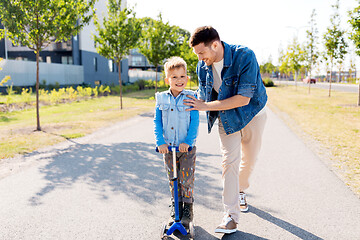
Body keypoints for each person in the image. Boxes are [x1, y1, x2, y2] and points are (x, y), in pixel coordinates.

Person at [184, 26, 267, 234]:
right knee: (229, 163)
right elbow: (203, 96)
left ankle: (240, 189)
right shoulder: (202, 65)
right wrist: (177, 95)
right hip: (226, 118)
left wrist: (205, 106)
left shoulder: (244, 56)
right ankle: (230, 215)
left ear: (215, 45)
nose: (200, 58)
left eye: (202, 53)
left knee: (249, 161)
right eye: (197, 55)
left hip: (253, 114)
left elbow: (243, 98)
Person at [154, 56, 199, 228]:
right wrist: (160, 142)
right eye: (174, 77)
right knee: (173, 179)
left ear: (187, 78)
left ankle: (187, 208)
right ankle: (176, 206)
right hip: (168, 148)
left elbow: (194, 121)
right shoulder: (161, 99)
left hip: (186, 148)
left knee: (186, 179)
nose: (179, 80)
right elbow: (157, 121)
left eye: (182, 77)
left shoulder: (191, 97)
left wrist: (188, 141)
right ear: (167, 79)